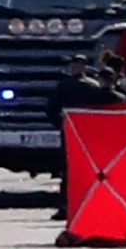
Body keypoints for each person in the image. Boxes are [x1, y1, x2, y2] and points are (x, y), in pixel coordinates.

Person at [48, 54, 101, 220]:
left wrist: (60, 124)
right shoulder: (94, 86)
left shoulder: (64, 86)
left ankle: (66, 206)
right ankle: (88, 204)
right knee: (85, 169)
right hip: (89, 133)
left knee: (69, 169)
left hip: (73, 132)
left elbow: (51, 109)